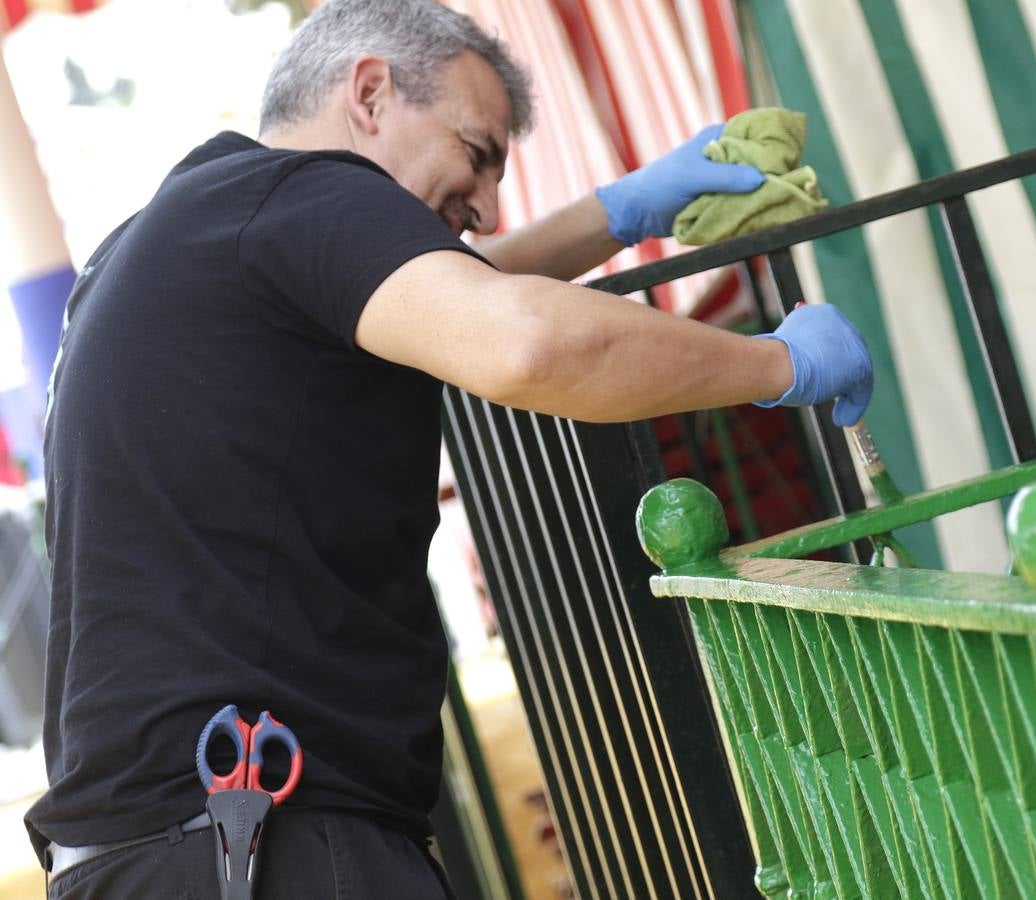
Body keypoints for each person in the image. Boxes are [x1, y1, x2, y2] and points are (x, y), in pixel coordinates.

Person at [27, 0, 873, 896]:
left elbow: (434, 293)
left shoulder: (182, 230)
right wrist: (777, 362)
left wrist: (622, 213)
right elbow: (524, 343)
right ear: (369, 94)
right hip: (256, 841)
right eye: (475, 152)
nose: (487, 206)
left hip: (153, 854)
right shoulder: (300, 194)